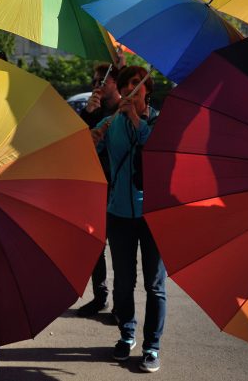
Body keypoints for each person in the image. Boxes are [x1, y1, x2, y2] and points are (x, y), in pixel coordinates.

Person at [91, 65, 164, 373]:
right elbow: (87, 151)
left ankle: (152, 346)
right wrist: (93, 122)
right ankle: (127, 334)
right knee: (124, 282)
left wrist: (136, 118)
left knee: (155, 284)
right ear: (120, 90)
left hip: (154, 215)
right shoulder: (112, 122)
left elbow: (156, 151)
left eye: (138, 83)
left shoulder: (161, 122)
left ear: (147, 89)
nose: (133, 88)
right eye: (128, 84)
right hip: (119, 213)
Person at [76, 63, 121, 318]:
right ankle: (100, 296)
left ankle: (120, 303)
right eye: (94, 82)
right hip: (95, 187)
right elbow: (80, 146)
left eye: (101, 81)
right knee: (95, 246)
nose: (96, 86)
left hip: (117, 188)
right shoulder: (94, 110)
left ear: (114, 82)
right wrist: (88, 115)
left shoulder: (124, 110)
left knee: (119, 250)